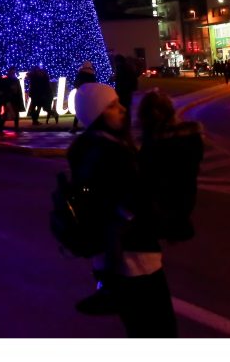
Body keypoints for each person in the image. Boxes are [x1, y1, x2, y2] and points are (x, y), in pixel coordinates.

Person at [67, 82, 177, 337]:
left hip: (115, 260)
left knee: (141, 331)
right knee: (159, 332)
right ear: (96, 114)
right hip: (135, 261)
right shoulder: (108, 152)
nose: (122, 109)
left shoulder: (89, 148)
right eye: (112, 106)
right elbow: (132, 198)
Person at [137, 90, 204, 242]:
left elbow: (147, 182)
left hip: (160, 213)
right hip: (184, 204)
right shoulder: (191, 138)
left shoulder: (154, 146)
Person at [70, 60, 97, 134]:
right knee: (90, 110)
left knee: (78, 110)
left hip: (81, 93)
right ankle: (91, 127)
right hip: (89, 94)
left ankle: (74, 126)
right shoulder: (92, 74)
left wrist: (79, 88)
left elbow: (76, 83)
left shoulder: (80, 74)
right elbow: (94, 84)